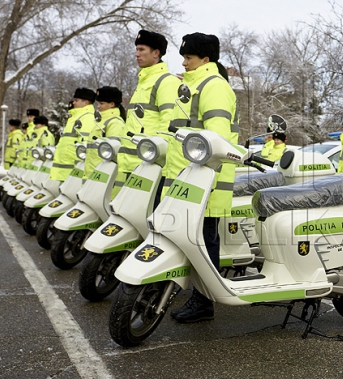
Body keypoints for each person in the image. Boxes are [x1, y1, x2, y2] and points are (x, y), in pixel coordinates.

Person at [168, 32, 238, 324]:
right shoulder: (191, 87)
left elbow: (215, 139)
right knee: (187, 239)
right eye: (183, 57)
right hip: (186, 178)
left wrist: (202, 176)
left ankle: (204, 302)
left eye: (189, 57)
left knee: (205, 243)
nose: (183, 62)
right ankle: (196, 293)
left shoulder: (214, 87)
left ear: (205, 59)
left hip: (205, 181)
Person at [117, 30, 181, 186]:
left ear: (156, 53)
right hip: (135, 164)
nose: (136, 54)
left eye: (141, 50)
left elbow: (169, 124)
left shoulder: (167, 82)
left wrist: (156, 157)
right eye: (136, 49)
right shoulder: (143, 82)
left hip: (152, 166)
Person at [87, 86, 127, 198]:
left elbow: (112, 154)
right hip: (95, 175)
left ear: (112, 104)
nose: (98, 106)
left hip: (104, 178)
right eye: (98, 103)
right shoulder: (101, 122)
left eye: (102, 103)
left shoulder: (115, 123)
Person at [49, 88, 95, 182]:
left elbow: (84, 145)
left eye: (76, 100)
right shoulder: (74, 118)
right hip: (65, 171)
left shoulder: (88, 118)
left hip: (74, 172)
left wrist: (79, 168)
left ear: (85, 102)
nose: (73, 103)